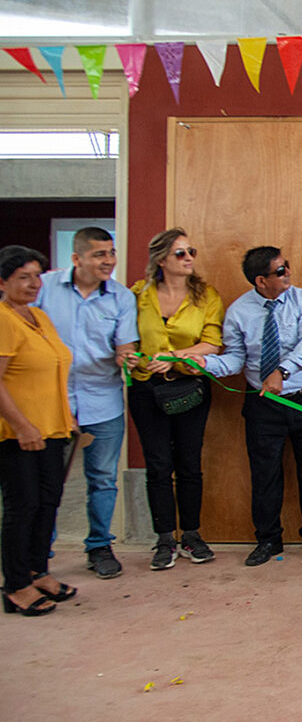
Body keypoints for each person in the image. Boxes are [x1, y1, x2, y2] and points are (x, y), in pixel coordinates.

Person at [193, 247, 302, 567]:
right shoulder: (240, 312)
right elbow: (236, 360)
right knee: (264, 474)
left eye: (287, 267)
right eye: (280, 271)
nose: (288, 274)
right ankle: (268, 539)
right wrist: (206, 363)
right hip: (262, 404)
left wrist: (281, 372)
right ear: (260, 280)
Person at [34, 227, 138, 579]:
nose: (108, 261)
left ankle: (99, 546)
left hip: (102, 399)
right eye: (99, 254)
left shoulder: (121, 298)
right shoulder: (44, 288)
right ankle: (38, 551)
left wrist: (128, 357)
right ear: (76, 258)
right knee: (47, 481)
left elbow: (126, 345)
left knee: (103, 479)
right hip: (51, 400)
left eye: (111, 253)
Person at [125, 229, 223, 571]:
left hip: (188, 387)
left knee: (189, 463)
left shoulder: (206, 296)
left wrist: (174, 355)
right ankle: (164, 537)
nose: (189, 258)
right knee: (158, 465)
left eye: (191, 251)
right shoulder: (138, 294)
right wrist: (132, 356)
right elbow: (126, 338)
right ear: (160, 259)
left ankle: (192, 535)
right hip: (146, 389)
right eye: (180, 253)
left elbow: (212, 342)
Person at [0, 246, 76, 616]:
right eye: (23, 278)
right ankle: (15, 584)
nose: (33, 284)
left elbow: (53, 368)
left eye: (37, 276)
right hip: (19, 433)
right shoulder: (3, 320)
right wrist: (22, 425)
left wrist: (67, 416)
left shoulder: (38, 317)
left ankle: (37, 571)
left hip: (53, 428)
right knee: (22, 505)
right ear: (3, 282)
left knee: (48, 502)